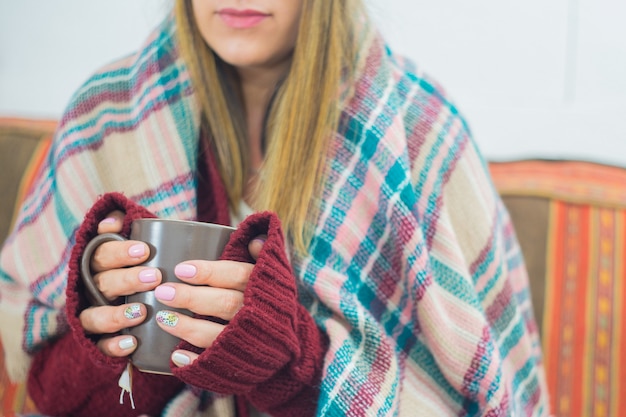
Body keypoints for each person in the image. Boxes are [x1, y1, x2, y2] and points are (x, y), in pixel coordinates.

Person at [0, 0, 550, 416]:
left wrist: (291, 363)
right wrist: (120, 341)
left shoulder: (416, 131)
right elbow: (47, 392)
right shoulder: (106, 115)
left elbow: (489, 396)